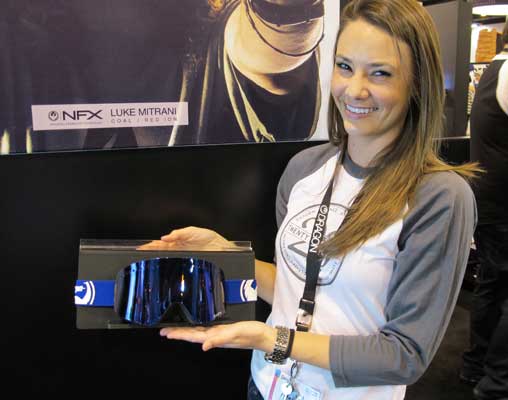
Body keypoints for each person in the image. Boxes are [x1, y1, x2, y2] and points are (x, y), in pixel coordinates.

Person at [150, 1, 481, 398]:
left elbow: (403, 355)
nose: (354, 89)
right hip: (267, 385)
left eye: (380, 73)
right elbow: (298, 286)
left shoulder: (438, 197)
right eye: (345, 66)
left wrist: (273, 339)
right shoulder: (305, 169)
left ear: (416, 84)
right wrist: (227, 256)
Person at [460, 19, 508, 400]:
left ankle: (477, 366)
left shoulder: (495, 69)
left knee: (492, 284)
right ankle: (498, 380)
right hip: (502, 204)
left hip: (489, 199)